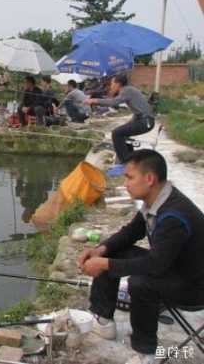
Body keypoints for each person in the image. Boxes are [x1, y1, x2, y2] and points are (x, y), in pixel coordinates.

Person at [77, 150, 204, 364]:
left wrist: (105, 264)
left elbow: (154, 265)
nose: (125, 183)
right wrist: (101, 250)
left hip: (194, 285)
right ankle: (103, 319)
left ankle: (146, 354)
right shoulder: (156, 200)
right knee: (114, 251)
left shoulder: (174, 214)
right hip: (172, 267)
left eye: (129, 177)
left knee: (141, 283)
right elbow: (131, 232)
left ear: (150, 179)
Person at [85, 74, 155, 163]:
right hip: (145, 120)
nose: (111, 86)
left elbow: (113, 102)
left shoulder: (126, 90)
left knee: (116, 133)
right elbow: (139, 108)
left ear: (118, 84)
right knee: (123, 134)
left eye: (112, 83)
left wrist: (94, 100)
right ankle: (130, 160)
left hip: (145, 122)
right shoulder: (129, 90)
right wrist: (132, 121)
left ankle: (124, 162)